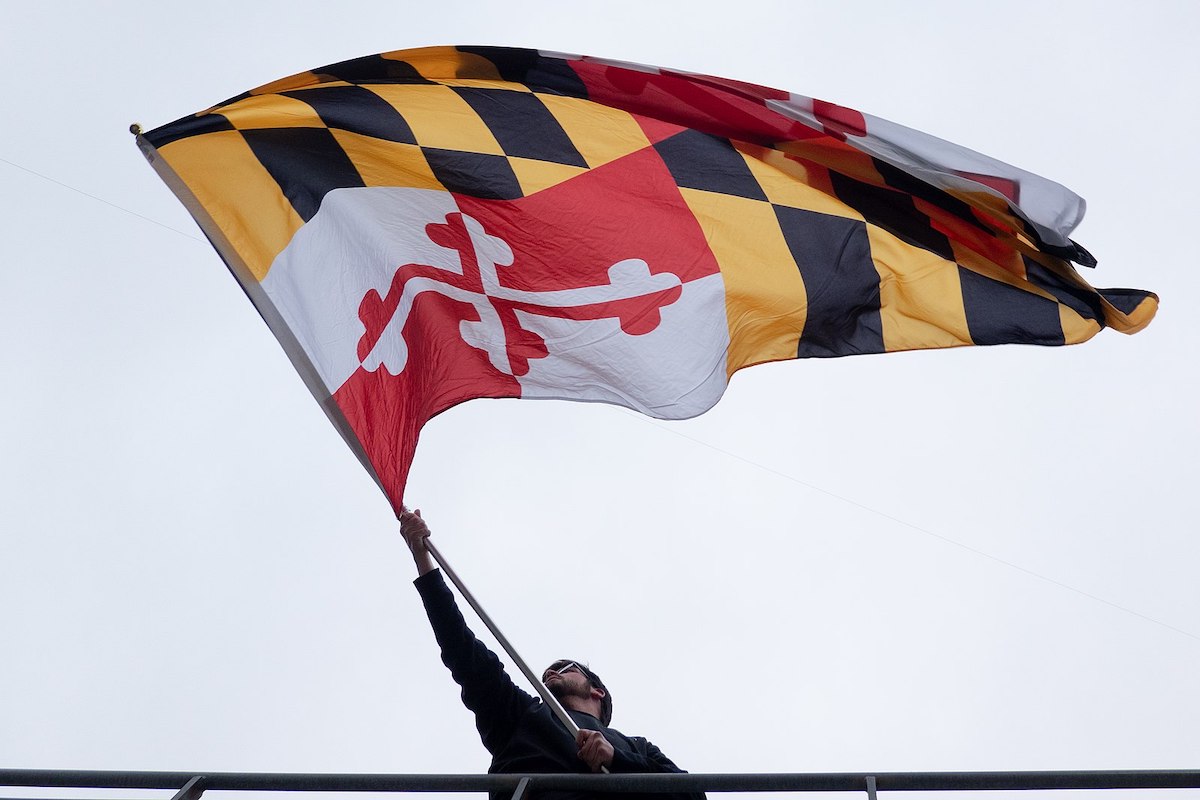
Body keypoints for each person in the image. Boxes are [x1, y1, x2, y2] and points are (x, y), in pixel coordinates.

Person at [399, 508, 705, 800]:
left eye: (565, 667)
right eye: (548, 672)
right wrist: (422, 559)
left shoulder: (637, 748)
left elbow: (692, 795)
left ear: (597, 691)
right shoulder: (519, 714)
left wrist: (617, 759)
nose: (550, 673)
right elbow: (464, 652)